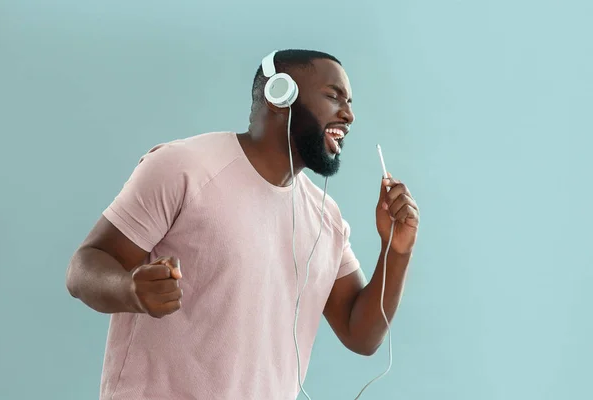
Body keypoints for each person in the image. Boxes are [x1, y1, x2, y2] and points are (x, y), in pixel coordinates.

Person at [66, 49, 420, 400]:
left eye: (350, 101)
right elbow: (83, 267)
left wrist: (397, 250)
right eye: (333, 96)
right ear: (281, 95)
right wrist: (130, 290)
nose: (349, 114)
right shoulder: (183, 167)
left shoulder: (326, 217)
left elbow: (362, 334)